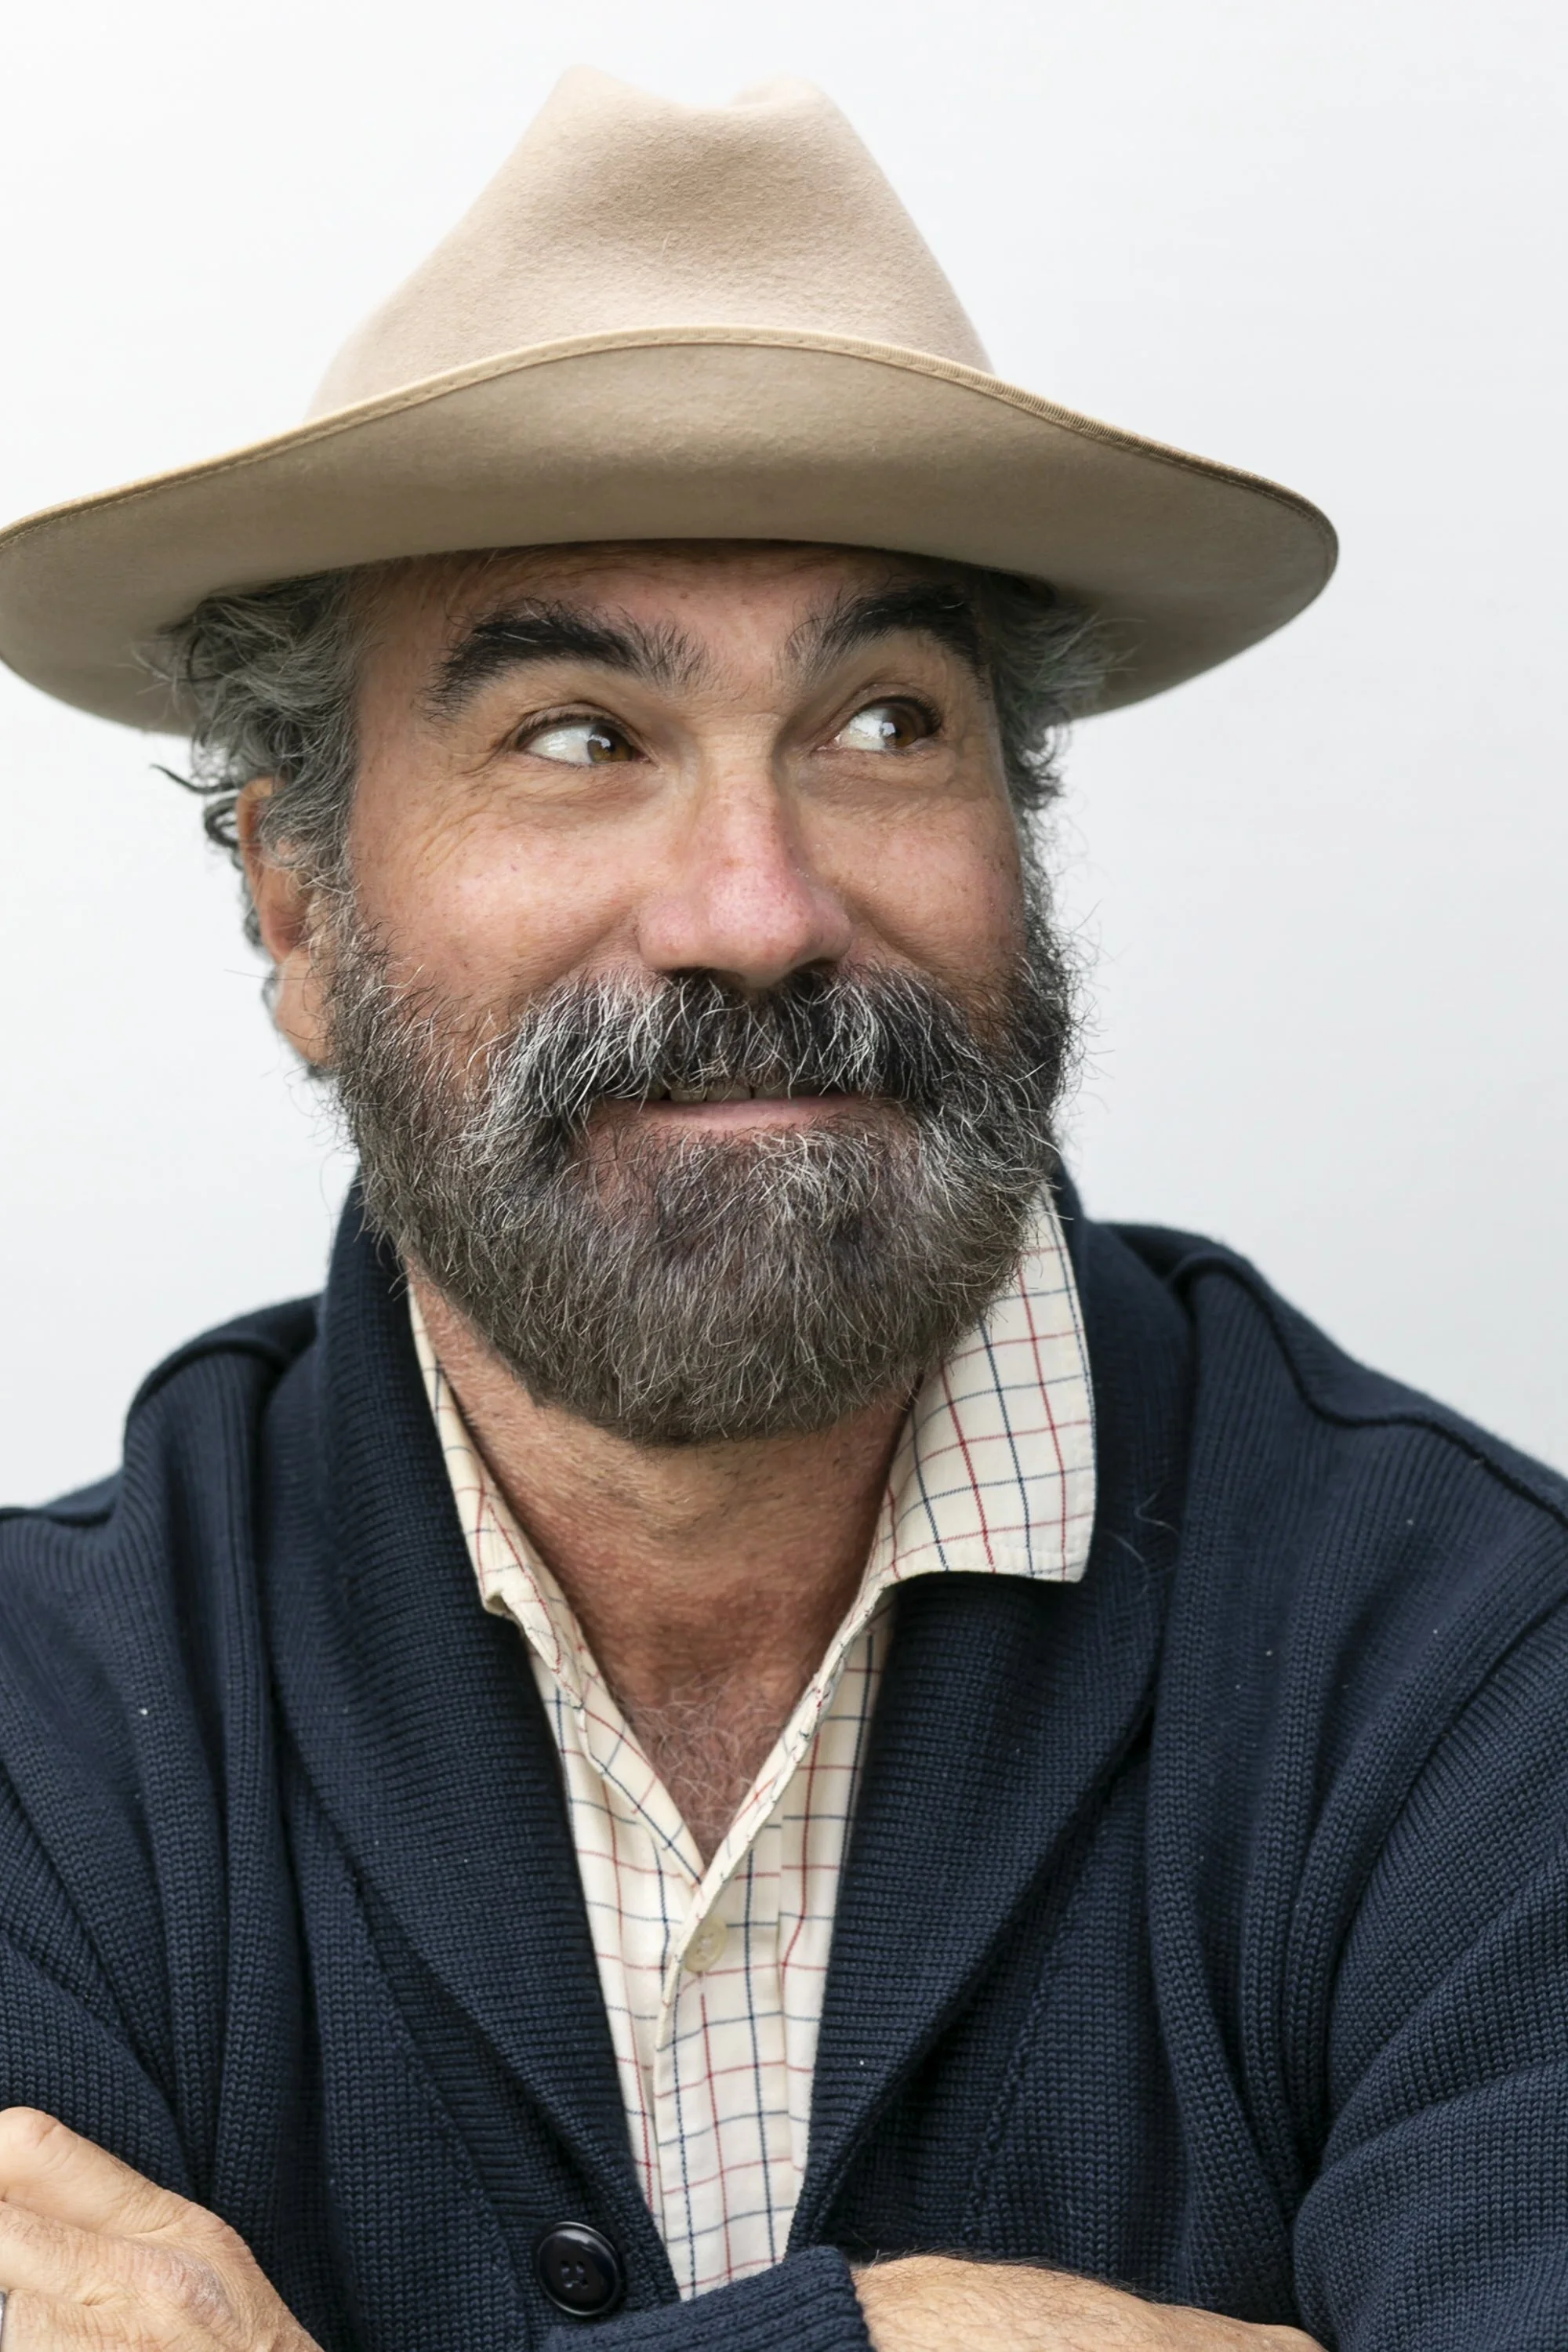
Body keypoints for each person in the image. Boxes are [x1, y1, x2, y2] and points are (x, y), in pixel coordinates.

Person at [0, 66, 1564, 2352]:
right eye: (573, 738)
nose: (757, 907)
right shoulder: (44, 1750)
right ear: (298, 906)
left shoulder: (1481, 1689)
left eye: (884, 724)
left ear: (1018, 837)